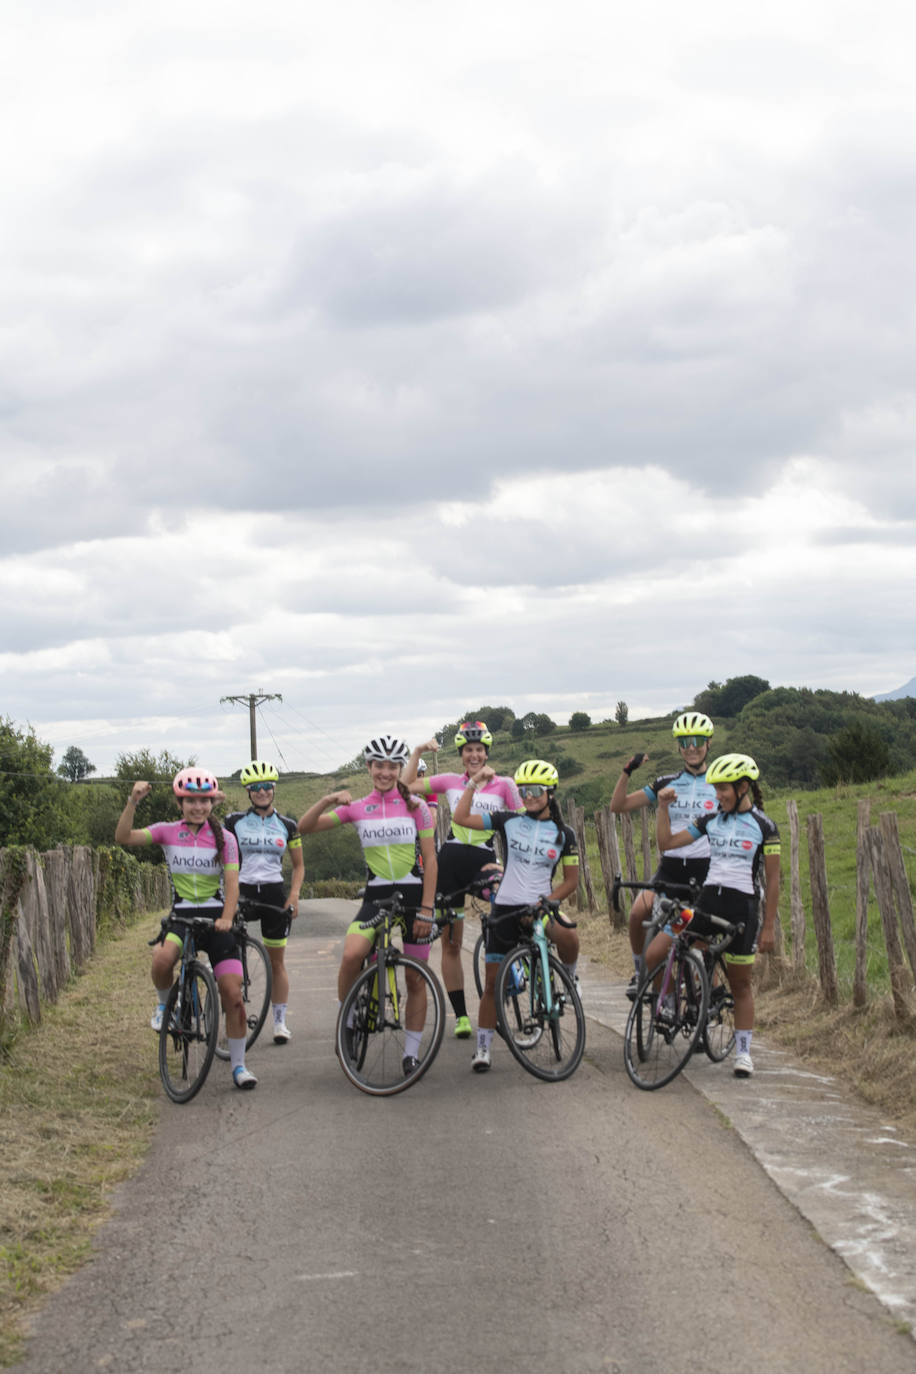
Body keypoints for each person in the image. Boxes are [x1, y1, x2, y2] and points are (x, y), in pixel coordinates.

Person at [296, 735, 438, 1076]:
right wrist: (329, 798)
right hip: (376, 896)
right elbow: (304, 827)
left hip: (414, 897)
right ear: (368, 767)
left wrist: (427, 909)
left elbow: (431, 861)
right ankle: (347, 1020)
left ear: (400, 769)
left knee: (416, 980)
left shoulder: (417, 807)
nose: (385, 773)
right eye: (379, 766)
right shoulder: (358, 807)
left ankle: (412, 1053)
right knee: (350, 955)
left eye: (392, 766)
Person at [114, 767, 258, 1090]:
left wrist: (226, 917)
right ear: (180, 803)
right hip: (182, 914)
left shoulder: (226, 839)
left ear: (211, 803)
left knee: (234, 996)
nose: (198, 807)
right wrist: (132, 802)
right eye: (191, 800)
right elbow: (123, 837)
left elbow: (232, 885)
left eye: (204, 801)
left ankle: (238, 1066)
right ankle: (166, 1005)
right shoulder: (168, 832)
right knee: (162, 961)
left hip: (215, 916)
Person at [653, 752, 781, 1079]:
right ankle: (677, 1004)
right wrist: (663, 807)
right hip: (706, 903)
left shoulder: (764, 826)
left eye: (723, 789)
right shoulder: (711, 820)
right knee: (672, 942)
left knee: (740, 985)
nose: (718, 795)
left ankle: (743, 1052)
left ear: (742, 787)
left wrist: (768, 928)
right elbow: (667, 843)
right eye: (716, 789)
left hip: (742, 909)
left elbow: (774, 880)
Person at [452, 759, 579, 1073]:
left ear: (550, 793)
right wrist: (473, 783)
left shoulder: (565, 834)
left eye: (536, 791)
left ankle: (570, 980)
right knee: (494, 981)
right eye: (524, 791)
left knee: (569, 936)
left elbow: (571, 881)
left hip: (540, 905)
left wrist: (546, 902)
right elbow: (461, 818)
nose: (529, 796)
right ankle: (483, 1048)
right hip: (507, 907)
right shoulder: (508, 820)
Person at [404, 722, 522, 1040]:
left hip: (484, 859)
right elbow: (406, 787)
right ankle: (462, 1017)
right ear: (461, 755)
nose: (473, 755)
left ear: (486, 753)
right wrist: (416, 752)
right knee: (451, 944)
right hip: (452, 861)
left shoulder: (505, 785)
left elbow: (523, 824)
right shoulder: (449, 781)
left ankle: (512, 963)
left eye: (479, 750)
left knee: (506, 904)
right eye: (468, 750)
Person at [609, 712, 717, 996]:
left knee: (700, 943)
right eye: (684, 742)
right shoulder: (666, 782)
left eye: (697, 741)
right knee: (637, 914)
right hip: (670, 869)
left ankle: (705, 996)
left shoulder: (720, 782)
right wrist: (626, 771)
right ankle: (639, 973)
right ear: (678, 746)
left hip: (704, 870)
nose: (691, 747)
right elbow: (618, 806)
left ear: (708, 743)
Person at [224, 761, 305, 1045]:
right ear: (248, 791)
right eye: (255, 788)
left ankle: (280, 1023)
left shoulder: (287, 826)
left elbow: (298, 867)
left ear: (274, 789)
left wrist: (293, 896)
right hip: (242, 891)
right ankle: (232, 1013)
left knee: (277, 962)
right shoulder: (234, 822)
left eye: (266, 787)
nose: (261, 792)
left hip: (273, 892)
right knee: (230, 957)